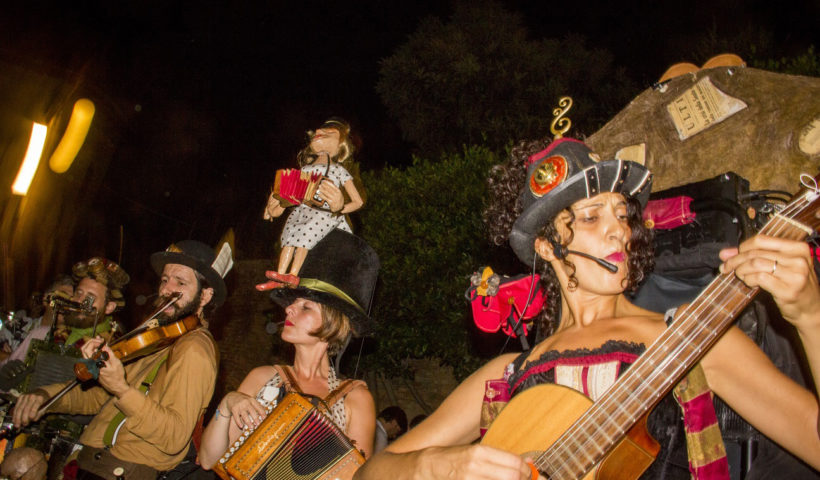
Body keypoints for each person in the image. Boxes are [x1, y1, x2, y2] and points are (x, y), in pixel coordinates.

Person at [354, 134, 820, 479]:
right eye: (592, 216)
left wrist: (811, 315)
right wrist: (438, 467)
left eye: (622, 214)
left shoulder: (687, 340)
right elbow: (369, 472)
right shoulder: (507, 375)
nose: (619, 231)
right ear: (548, 245)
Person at [12, 240, 233, 480]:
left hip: (121, 471)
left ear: (205, 296)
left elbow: (174, 436)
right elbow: (99, 397)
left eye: (180, 282)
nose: (166, 290)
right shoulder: (158, 338)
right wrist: (45, 397)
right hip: (89, 463)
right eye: (164, 280)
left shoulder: (195, 348)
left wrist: (121, 388)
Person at [198, 230, 377, 472]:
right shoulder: (261, 378)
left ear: (332, 323)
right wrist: (228, 403)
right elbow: (209, 460)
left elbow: (357, 476)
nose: (289, 310)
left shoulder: (355, 398)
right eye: (292, 304)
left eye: (305, 307)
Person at [262, 117, 364, 286]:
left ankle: (293, 274)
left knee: (304, 238)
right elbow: (291, 194)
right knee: (289, 237)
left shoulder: (339, 170)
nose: (319, 133)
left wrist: (338, 208)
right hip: (301, 210)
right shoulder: (305, 169)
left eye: (329, 134)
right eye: (318, 132)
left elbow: (358, 202)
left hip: (324, 214)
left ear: (341, 145)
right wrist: (276, 206)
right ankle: (279, 275)